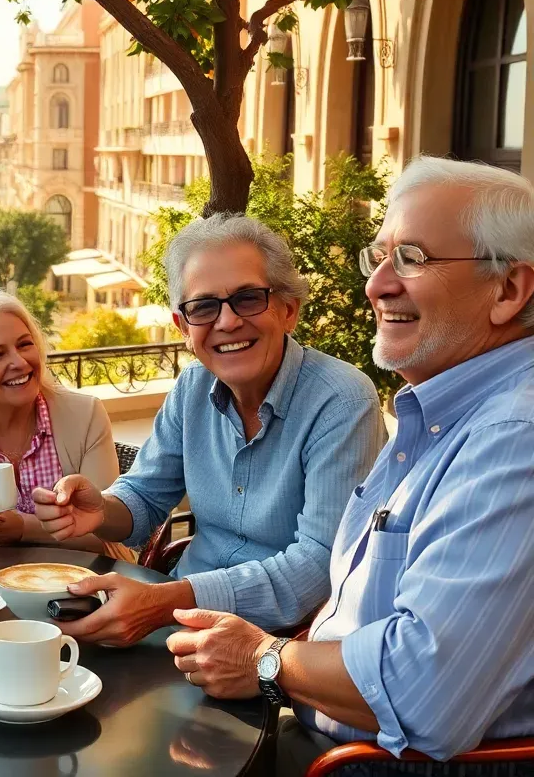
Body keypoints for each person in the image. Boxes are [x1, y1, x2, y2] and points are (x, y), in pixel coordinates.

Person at [163, 157, 534, 776]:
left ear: (509, 291)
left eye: (412, 258)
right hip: (315, 721)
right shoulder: (438, 415)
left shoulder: (511, 440)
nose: (378, 285)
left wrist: (266, 659)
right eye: (380, 257)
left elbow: (425, 691)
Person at [33, 214, 384, 646]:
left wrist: (165, 602)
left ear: (288, 310)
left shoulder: (342, 401)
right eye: (204, 307)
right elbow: (143, 498)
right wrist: (99, 511)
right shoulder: (192, 389)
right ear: (183, 328)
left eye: (248, 298)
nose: (228, 322)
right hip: (174, 622)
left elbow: (319, 564)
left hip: (273, 647)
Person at [0, 290, 133, 559]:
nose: (19, 362)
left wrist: (23, 528)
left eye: (24, 344)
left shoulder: (85, 414)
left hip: (78, 587)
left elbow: (106, 538)